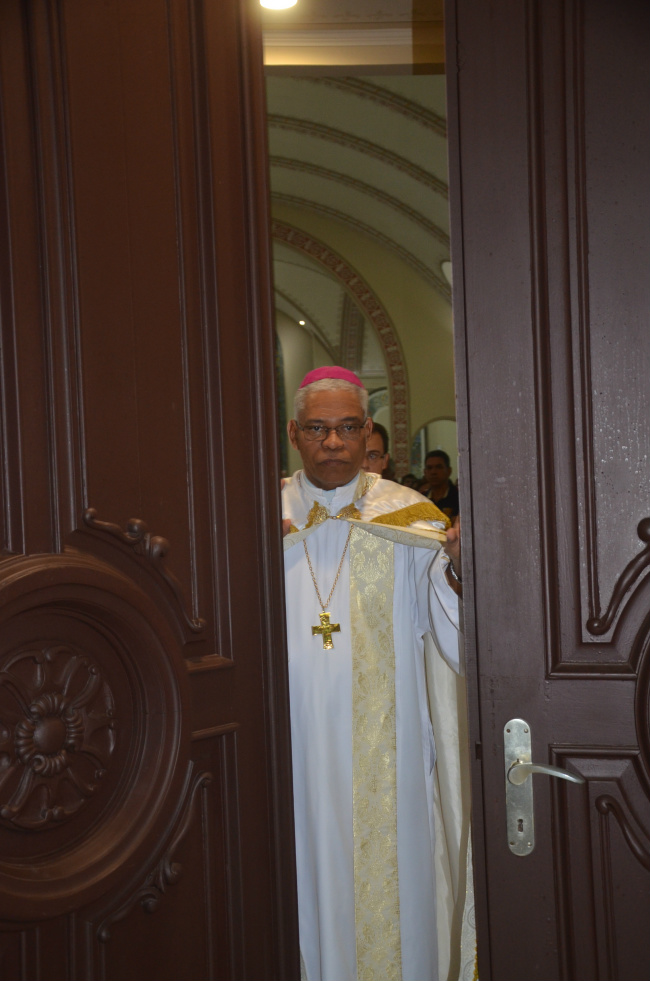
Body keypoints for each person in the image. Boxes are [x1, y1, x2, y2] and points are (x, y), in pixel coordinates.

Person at [282, 366, 463, 981]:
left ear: (367, 434)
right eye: (318, 428)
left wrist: (460, 572)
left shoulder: (409, 515)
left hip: (389, 748)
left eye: (348, 428)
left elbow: (454, 637)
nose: (333, 442)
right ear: (294, 433)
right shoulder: (260, 512)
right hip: (287, 746)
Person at [422, 450, 459, 520]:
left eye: (439, 467)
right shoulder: (421, 499)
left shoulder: (459, 498)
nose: (433, 472)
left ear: (449, 471)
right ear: (425, 472)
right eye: (429, 468)